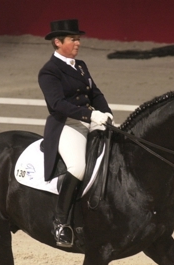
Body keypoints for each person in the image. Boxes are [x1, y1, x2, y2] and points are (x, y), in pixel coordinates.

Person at [38, 19, 113, 248]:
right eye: (73, 39)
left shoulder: (80, 65)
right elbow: (58, 104)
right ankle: (61, 223)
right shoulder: (49, 71)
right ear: (58, 42)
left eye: (78, 38)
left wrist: (106, 113)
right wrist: (90, 117)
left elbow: (95, 93)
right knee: (78, 167)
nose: (78, 43)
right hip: (67, 124)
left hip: (92, 119)